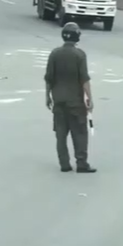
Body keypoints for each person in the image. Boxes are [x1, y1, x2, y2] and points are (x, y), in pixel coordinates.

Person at [44, 21, 96, 174]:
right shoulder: (79, 55)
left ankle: (64, 164)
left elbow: (49, 78)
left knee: (61, 134)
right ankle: (81, 163)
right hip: (75, 102)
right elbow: (84, 79)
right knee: (79, 133)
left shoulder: (54, 54)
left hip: (58, 101)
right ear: (77, 36)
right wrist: (90, 98)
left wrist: (47, 96)